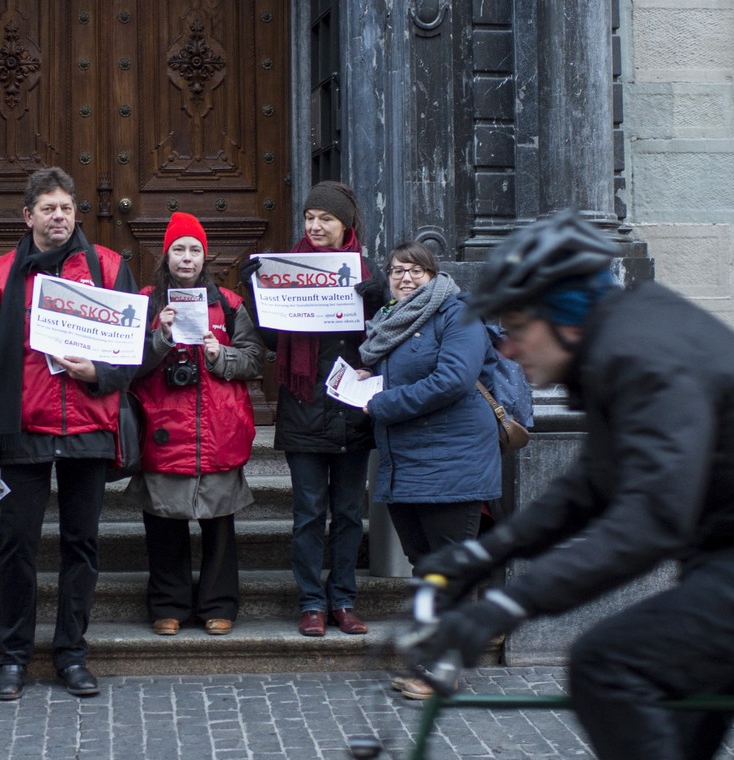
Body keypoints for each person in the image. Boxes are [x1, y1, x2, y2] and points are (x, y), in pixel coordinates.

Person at [408, 210, 734, 760]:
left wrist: (508, 606)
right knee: (681, 735)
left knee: (608, 664)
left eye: (518, 328)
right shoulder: (622, 343)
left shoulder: (644, 359)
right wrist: (482, 553)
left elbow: (650, 522)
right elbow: (591, 486)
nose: (508, 349)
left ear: (566, 319)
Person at [0, 166, 139, 700]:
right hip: (23, 430)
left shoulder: (108, 268)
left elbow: (130, 354)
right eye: (48, 208)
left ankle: (71, 654)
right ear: (28, 215)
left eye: (66, 207)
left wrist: (97, 374)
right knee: (16, 546)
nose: (59, 217)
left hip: (87, 426)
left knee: (81, 546)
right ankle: (12, 658)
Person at [357, 240, 501, 700]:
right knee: (426, 566)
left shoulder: (458, 314)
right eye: (397, 270)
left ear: (434, 275)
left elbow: (453, 380)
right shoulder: (389, 323)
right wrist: (364, 383)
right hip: (406, 463)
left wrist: (383, 402)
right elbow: (401, 375)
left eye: (415, 270)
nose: (404, 277)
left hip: (452, 460)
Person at [241, 181, 384, 637]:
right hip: (304, 408)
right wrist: (255, 291)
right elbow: (269, 340)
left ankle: (342, 599)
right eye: (309, 217)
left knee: (346, 513)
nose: (315, 226)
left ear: (346, 224)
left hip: (352, 410)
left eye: (325, 218)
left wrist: (378, 293)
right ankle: (310, 604)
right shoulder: (287, 268)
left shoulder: (366, 271)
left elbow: (385, 336)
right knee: (307, 512)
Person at [130, 212, 265, 637]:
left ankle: (218, 604)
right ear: (165, 255)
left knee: (220, 525)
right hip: (164, 426)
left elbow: (255, 359)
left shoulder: (228, 302)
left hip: (216, 429)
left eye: (194, 250)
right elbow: (127, 362)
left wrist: (219, 355)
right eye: (178, 249)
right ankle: (167, 604)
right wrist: (161, 337)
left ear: (205, 257)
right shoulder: (147, 301)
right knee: (164, 524)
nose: (186, 258)